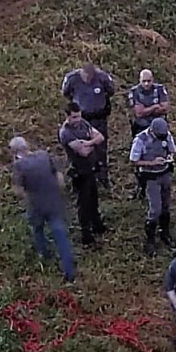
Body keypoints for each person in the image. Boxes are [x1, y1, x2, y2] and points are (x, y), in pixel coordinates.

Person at [10, 136, 76, 283]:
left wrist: (26, 194)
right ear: (27, 146)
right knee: (60, 234)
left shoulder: (19, 165)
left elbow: (19, 190)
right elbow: (59, 177)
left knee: (37, 229)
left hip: (36, 205)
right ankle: (69, 269)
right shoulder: (43, 155)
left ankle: (44, 254)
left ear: (14, 151)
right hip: (53, 202)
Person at [58, 101, 109, 248]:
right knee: (84, 204)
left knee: (94, 199)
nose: (77, 120)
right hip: (80, 171)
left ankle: (97, 225)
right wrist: (91, 143)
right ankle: (86, 235)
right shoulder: (66, 133)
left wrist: (87, 142)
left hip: (91, 168)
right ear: (67, 116)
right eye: (74, 117)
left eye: (78, 116)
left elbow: (100, 137)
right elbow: (83, 152)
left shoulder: (83, 123)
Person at [129, 117, 176, 256]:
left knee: (166, 205)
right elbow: (134, 161)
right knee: (155, 208)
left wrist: (170, 156)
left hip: (165, 173)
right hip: (151, 177)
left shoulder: (166, 135)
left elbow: (172, 149)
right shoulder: (141, 139)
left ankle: (165, 233)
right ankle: (150, 240)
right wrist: (152, 163)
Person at [62, 63, 116, 188]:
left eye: (91, 77)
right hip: (81, 118)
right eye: (87, 77)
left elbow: (110, 91)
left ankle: (102, 176)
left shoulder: (102, 77)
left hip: (98, 117)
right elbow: (66, 93)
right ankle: (79, 178)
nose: (89, 80)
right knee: (77, 150)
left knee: (101, 148)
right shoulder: (72, 78)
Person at [127, 68, 170, 200]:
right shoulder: (134, 91)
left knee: (160, 154)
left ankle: (161, 185)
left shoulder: (160, 89)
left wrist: (148, 109)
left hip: (159, 130)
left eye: (149, 81)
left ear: (153, 79)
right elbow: (139, 113)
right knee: (140, 158)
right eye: (143, 81)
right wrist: (154, 107)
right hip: (141, 128)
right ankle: (141, 188)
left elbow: (165, 107)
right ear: (139, 81)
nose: (146, 84)